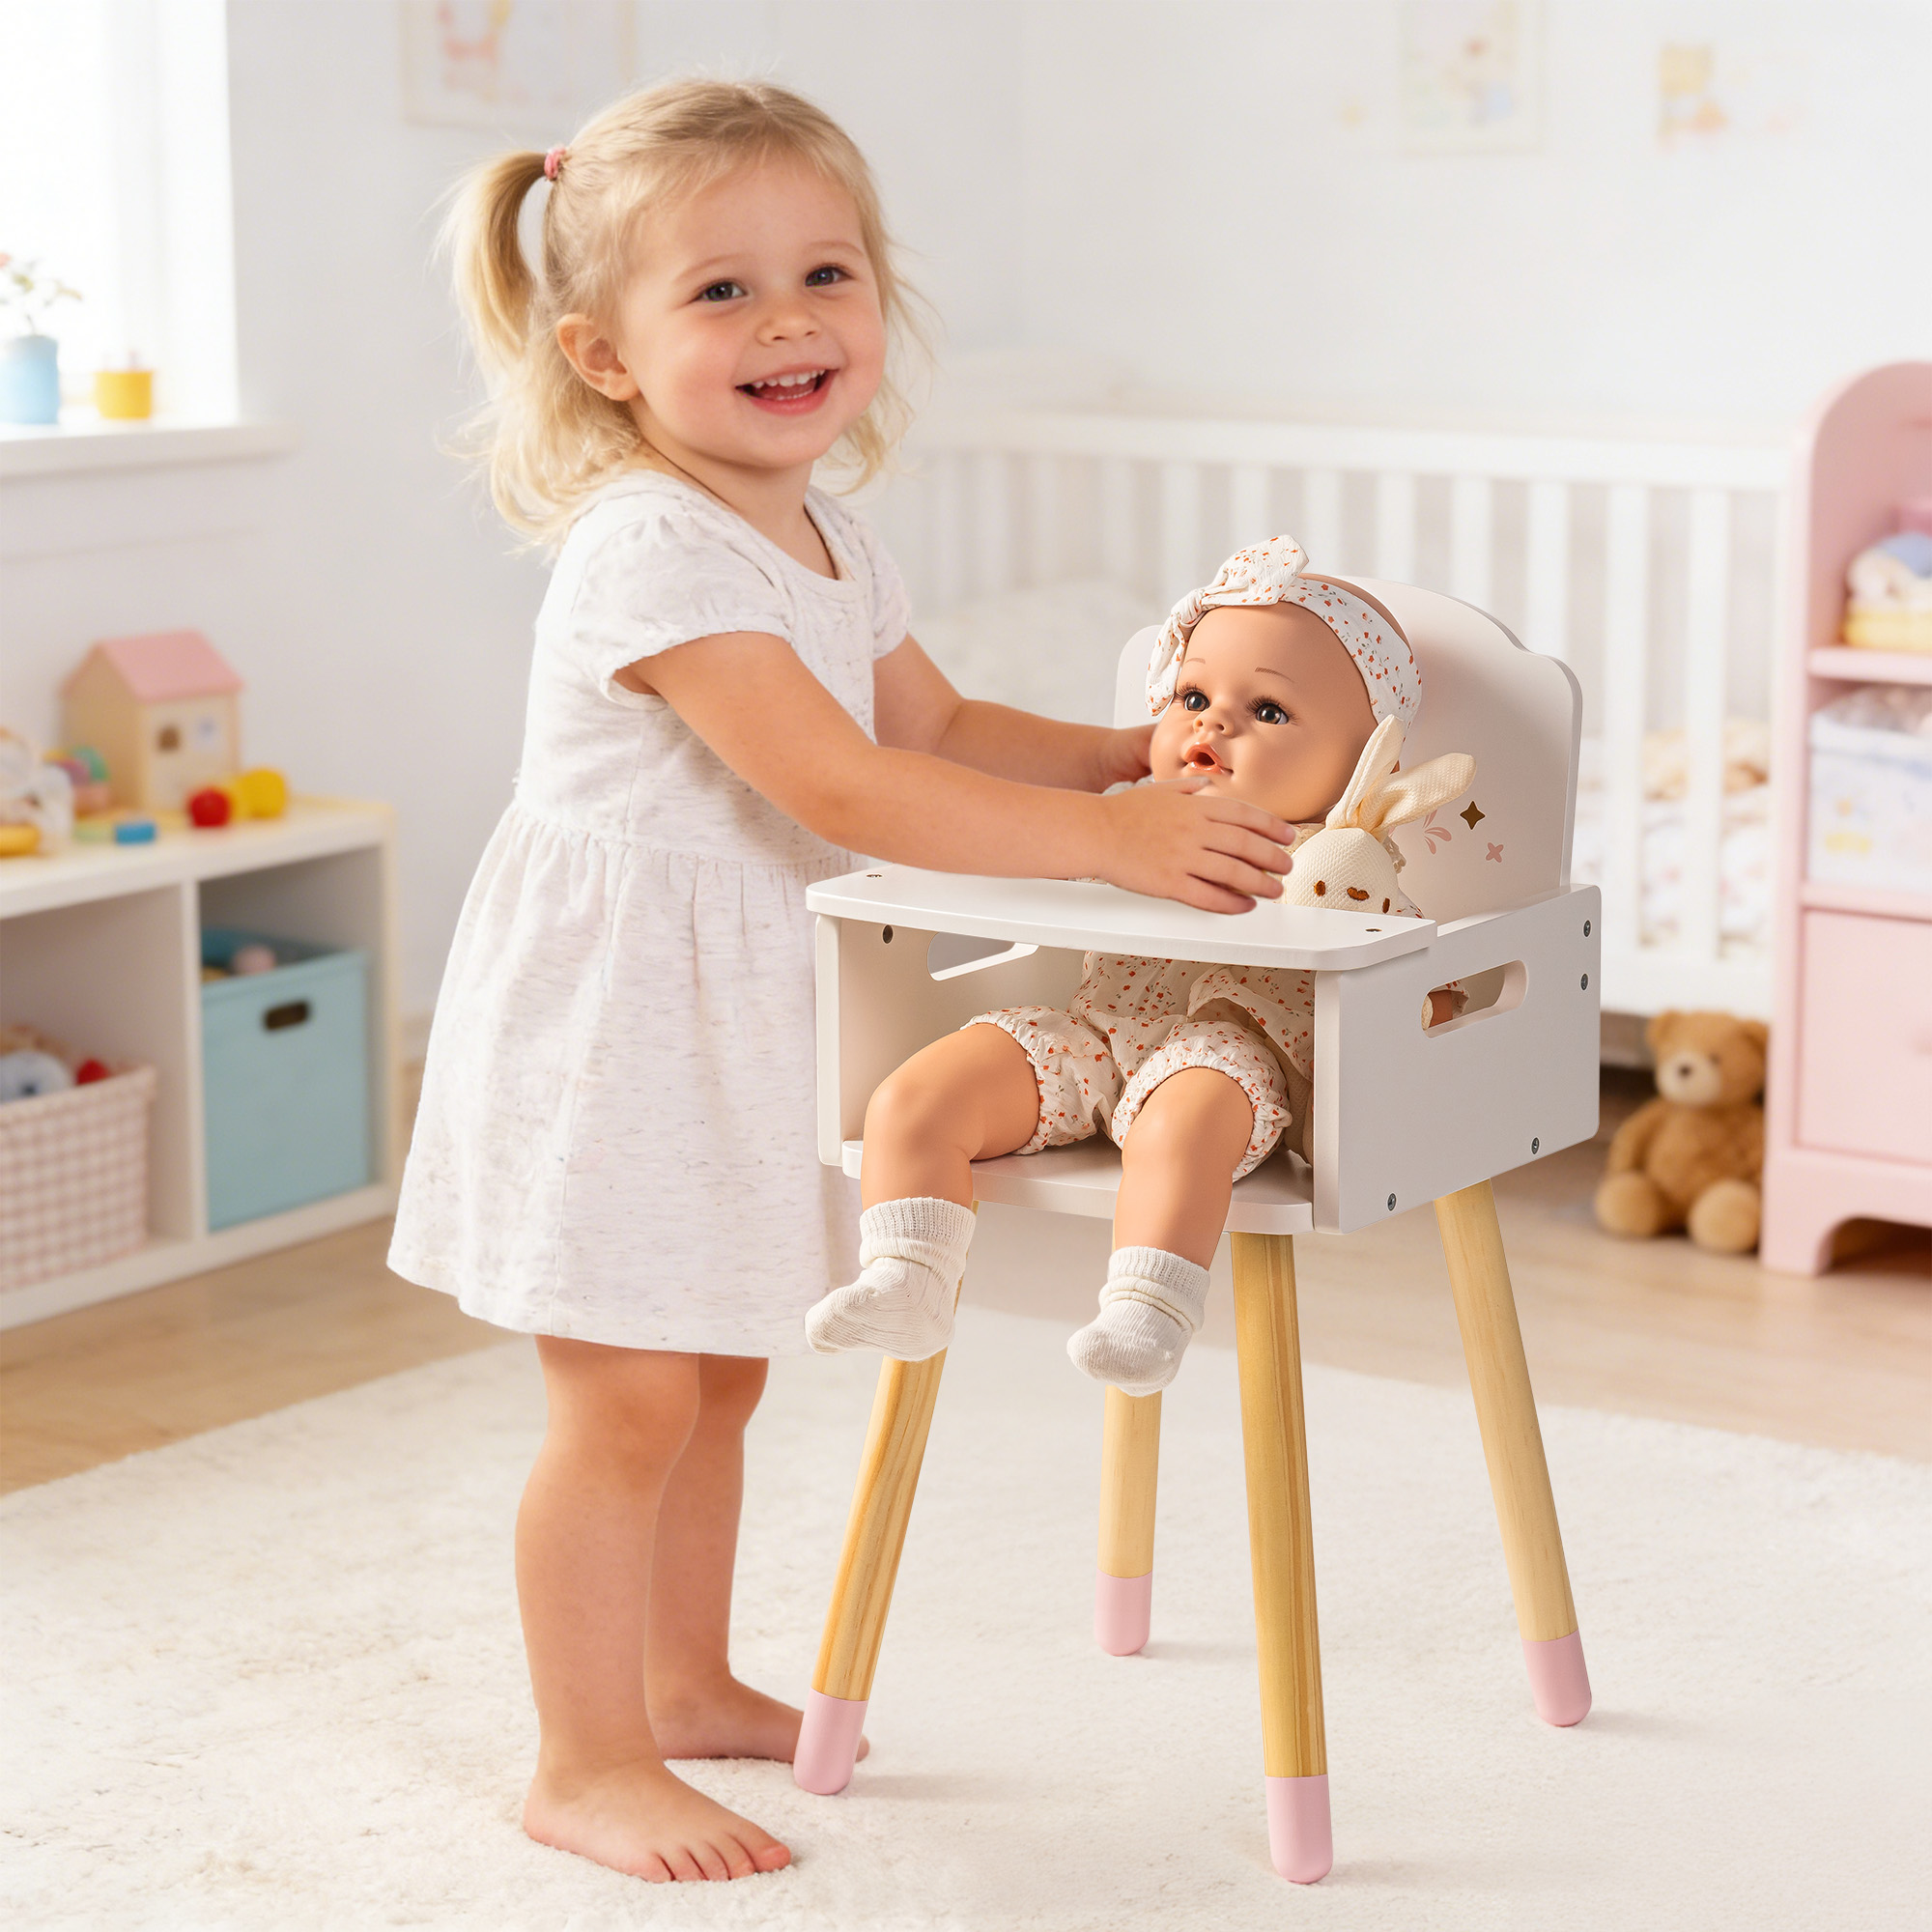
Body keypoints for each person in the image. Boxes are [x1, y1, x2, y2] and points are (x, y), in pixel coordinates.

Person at [388, 79, 1296, 1887]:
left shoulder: (830, 537)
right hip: (617, 1021)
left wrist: (1127, 759)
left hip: (732, 1013)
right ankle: (582, 1758)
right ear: (607, 355)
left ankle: (678, 1674)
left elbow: (942, 726)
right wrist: (1107, 850)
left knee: (714, 1378)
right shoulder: (650, 544)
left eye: (826, 271)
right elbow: (847, 786)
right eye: (719, 293)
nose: (790, 319)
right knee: (626, 1397)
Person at [805, 536, 1473, 1396]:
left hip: (1229, 1057)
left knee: (1177, 1126)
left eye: (1267, 711)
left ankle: (1146, 1314)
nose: (1213, 724)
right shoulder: (1122, 825)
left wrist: (1435, 1002)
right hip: (1086, 1032)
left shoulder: (1333, 864)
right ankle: (907, 1279)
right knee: (912, 1096)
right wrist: (1099, 834)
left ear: (1361, 765)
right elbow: (1041, 861)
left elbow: (1402, 955)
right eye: (1192, 696)